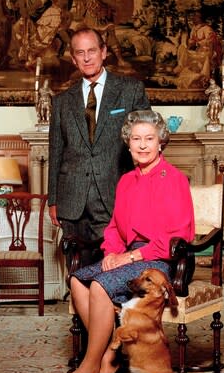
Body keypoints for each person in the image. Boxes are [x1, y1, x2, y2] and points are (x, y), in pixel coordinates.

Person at [49, 110, 195, 373]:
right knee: (78, 280)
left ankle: (92, 366)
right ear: (128, 144)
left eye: (149, 139)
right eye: (136, 139)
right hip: (128, 255)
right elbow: (115, 227)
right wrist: (112, 254)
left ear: (160, 142)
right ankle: (111, 359)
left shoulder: (174, 179)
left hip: (159, 260)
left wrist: (129, 258)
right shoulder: (127, 181)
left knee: (101, 286)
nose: (142, 145)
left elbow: (180, 235)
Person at [47, 27, 150, 265]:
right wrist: (54, 200)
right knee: (78, 272)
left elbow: (147, 140)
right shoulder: (61, 102)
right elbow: (56, 153)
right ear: (73, 58)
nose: (86, 58)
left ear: (103, 52)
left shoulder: (130, 90)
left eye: (92, 51)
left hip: (115, 196)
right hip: (72, 201)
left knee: (113, 270)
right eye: (80, 53)